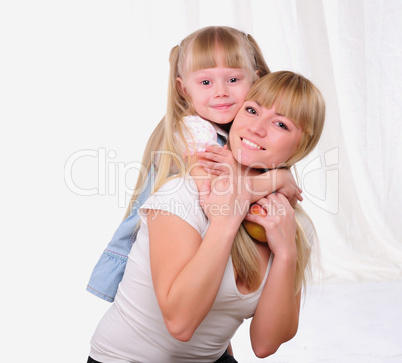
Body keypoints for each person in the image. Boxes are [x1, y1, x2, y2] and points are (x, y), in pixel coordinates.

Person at [87, 70, 326, 362]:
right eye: (251, 110)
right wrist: (226, 221)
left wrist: (287, 252)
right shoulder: (182, 196)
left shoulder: (292, 225)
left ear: (303, 144)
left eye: (280, 124)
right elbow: (180, 324)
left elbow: (265, 344)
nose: (257, 128)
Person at [86, 26, 301, 303]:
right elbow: (216, 190)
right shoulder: (193, 129)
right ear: (183, 88)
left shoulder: (241, 134)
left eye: (233, 79)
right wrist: (278, 180)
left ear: (255, 81)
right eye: (206, 83)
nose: (221, 92)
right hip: (164, 258)